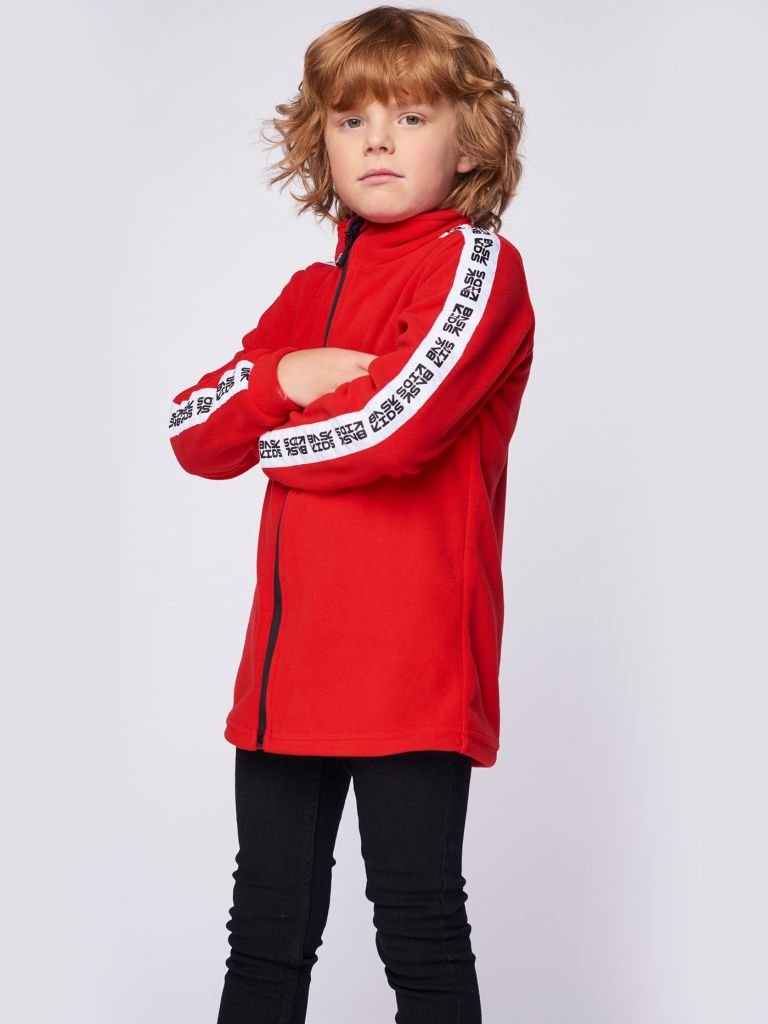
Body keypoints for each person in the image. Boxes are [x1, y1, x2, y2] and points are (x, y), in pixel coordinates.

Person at [167, 6, 536, 1022]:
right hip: (285, 678)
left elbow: (390, 431)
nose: (378, 141)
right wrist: (284, 374)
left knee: (418, 930)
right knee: (264, 938)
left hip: (412, 672)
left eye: (411, 117)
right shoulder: (306, 293)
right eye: (351, 120)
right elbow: (192, 433)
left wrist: (268, 436)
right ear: (321, 143)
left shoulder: (477, 266)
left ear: (469, 143)